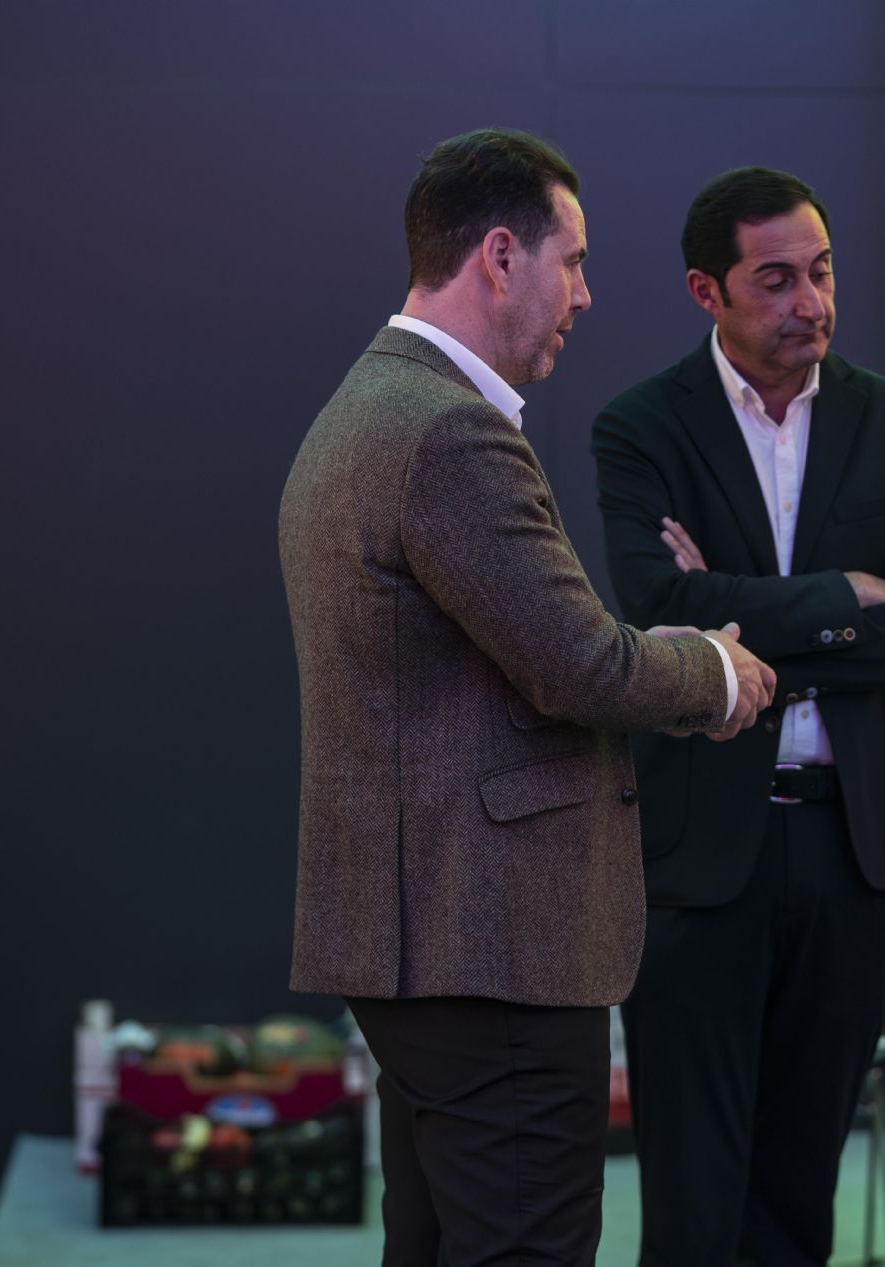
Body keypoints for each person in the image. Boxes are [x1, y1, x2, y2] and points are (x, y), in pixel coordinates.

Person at [278, 127, 776, 1267]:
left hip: (428, 941)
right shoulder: (450, 431)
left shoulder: (371, 405)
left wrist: (640, 646)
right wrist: (714, 670)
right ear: (501, 256)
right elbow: (579, 666)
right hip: (489, 944)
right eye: (575, 262)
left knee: (438, 1242)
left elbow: (528, 649)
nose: (585, 296)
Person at [591, 166, 885, 1266]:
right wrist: (848, 593)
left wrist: (737, 613)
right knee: (694, 1199)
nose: (810, 301)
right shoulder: (642, 427)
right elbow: (657, 610)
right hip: (704, 847)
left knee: (799, 1192)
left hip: (855, 846)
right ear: (706, 290)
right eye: (776, 280)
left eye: (822, 271)